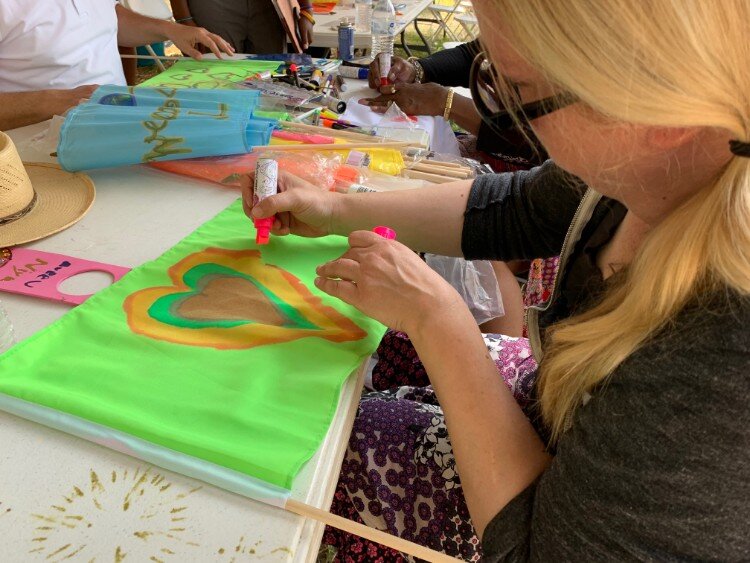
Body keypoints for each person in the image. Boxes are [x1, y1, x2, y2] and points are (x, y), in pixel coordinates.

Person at [241, 0, 750, 559]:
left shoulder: (716, 360)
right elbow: (516, 208)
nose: (503, 108)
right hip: (556, 408)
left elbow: (536, 551)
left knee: (305, 455)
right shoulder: (651, 166)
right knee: (345, 364)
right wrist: (336, 210)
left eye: (515, 89)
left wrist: (438, 320)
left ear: (654, 117)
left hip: (535, 527)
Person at [0, 0, 234, 131]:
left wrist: (170, 30)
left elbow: (107, 19)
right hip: (40, 150)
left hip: (123, 122)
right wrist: (56, 101)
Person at [169, 0, 315, 54]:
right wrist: (184, 19)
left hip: (267, 6)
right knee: (218, 73)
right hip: (213, 6)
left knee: (269, 75)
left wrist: (306, 8)